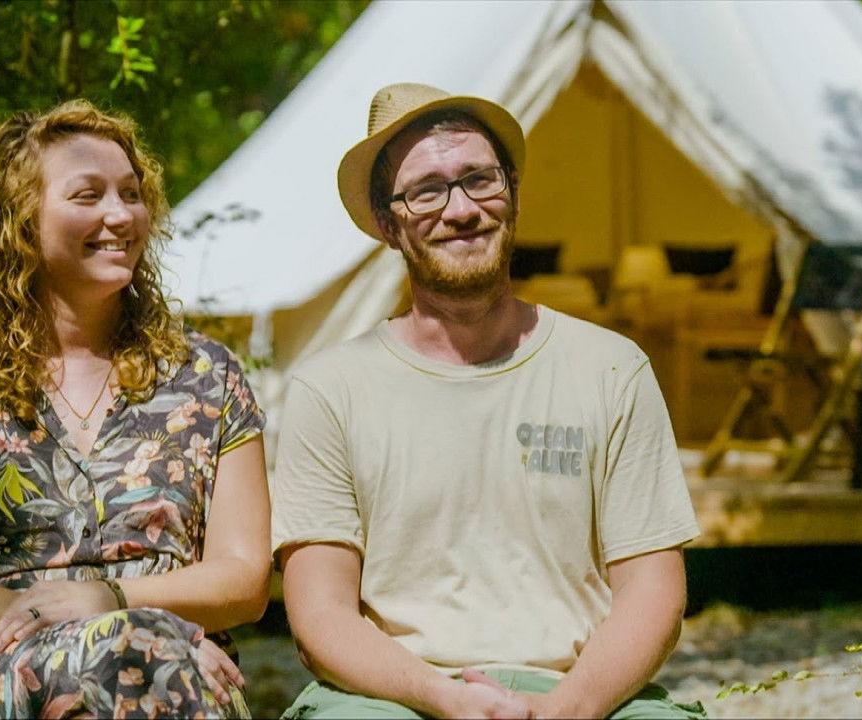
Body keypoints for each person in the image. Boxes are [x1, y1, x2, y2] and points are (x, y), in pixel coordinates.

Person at [273, 83, 707, 719]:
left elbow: (654, 593)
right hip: (395, 696)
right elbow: (320, 615)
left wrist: (569, 709)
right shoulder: (332, 388)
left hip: (586, 693)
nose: (461, 209)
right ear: (389, 225)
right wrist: (444, 699)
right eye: (426, 191)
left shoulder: (611, 368)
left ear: (513, 196)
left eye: (479, 179)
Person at [0, 99, 270, 718]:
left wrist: (119, 606)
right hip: (1, 672)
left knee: (142, 661)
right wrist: (106, 631)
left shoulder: (209, 377)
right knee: (131, 658)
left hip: (176, 669)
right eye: (88, 195)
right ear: (20, 219)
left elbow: (244, 580)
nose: (120, 215)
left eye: (131, 193)